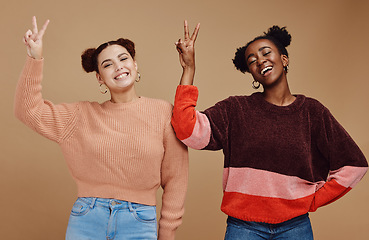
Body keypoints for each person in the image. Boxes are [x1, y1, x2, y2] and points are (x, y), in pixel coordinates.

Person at [172, 22, 368, 239]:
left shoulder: (312, 112)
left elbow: (354, 165)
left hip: (296, 227)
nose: (260, 60)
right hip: (243, 227)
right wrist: (189, 69)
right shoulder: (235, 109)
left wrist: (312, 200)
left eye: (266, 52)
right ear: (252, 75)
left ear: (284, 59)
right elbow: (186, 129)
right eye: (252, 61)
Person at [15, 16, 188, 240]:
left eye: (123, 59)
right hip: (87, 217)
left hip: (140, 221)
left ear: (135, 64)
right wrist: (34, 57)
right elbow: (27, 111)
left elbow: (176, 178)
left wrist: (167, 233)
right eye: (107, 64)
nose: (118, 67)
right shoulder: (80, 115)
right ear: (99, 78)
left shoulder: (164, 112)